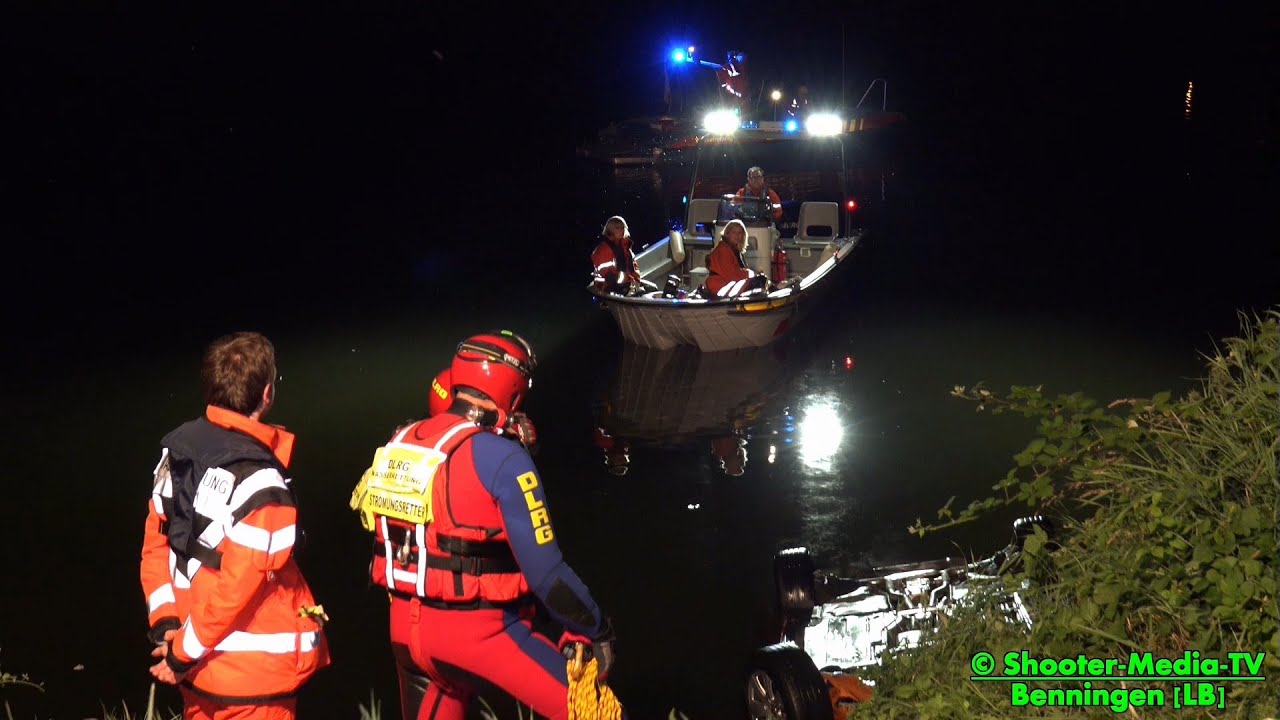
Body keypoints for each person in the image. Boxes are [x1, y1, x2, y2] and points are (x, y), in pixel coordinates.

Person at [349, 330, 623, 720]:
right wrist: (595, 628)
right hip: (479, 635)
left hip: (405, 634)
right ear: (512, 388)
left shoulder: (400, 439)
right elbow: (547, 573)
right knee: (601, 714)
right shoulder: (504, 457)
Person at [140, 331, 330, 719]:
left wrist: (166, 626)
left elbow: (155, 549)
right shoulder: (263, 484)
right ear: (266, 394)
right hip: (251, 680)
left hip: (195, 673)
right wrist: (181, 652)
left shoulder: (176, 458)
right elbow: (237, 590)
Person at [705, 219, 771, 299]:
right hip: (720, 286)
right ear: (727, 234)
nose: (737, 236)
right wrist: (751, 274)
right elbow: (732, 275)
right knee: (759, 281)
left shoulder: (734, 250)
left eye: (739, 233)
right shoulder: (723, 250)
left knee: (760, 280)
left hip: (726, 284)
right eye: (734, 232)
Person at [591, 215, 656, 296]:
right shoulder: (603, 250)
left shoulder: (625, 246)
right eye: (617, 228)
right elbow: (609, 277)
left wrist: (636, 282)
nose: (621, 230)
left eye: (622, 227)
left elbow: (633, 267)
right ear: (610, 230)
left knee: (653, 289)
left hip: (626, 283)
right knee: (638, 295)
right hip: (608, 287)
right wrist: (630, 286)